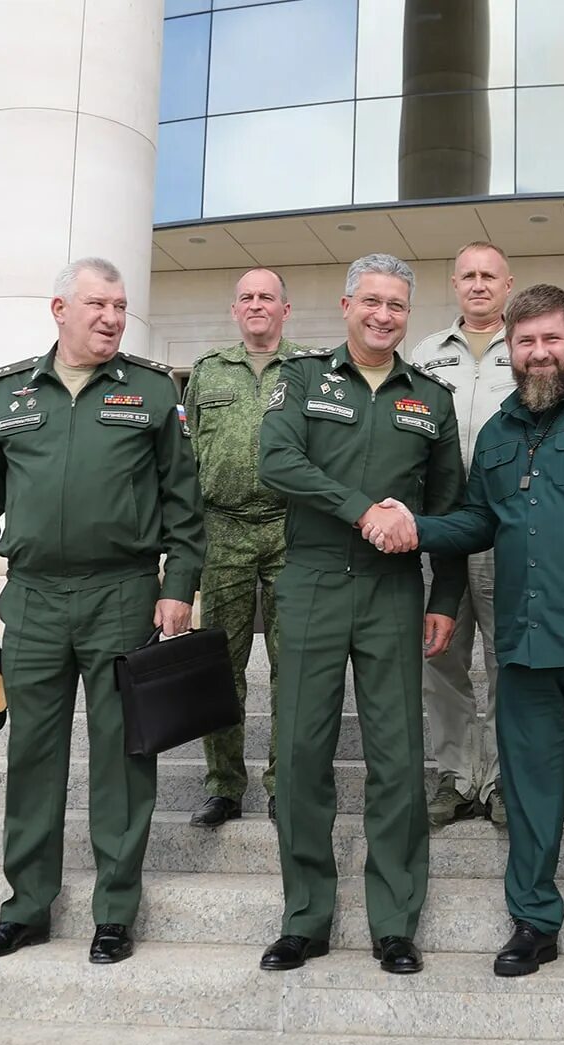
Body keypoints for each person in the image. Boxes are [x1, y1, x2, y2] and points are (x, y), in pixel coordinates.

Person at [376, 283, 564, 981]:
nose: (538, 353)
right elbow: (480, 520)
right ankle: (534, 923)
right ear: (509, 349)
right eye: (525, 342)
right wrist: (415, 526)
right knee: (530, 794)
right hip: (525, 645)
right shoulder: (497, 432)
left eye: (551, 339)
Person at [0, 256, 206, 966]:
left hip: (123, 593)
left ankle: (114, 913)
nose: (112, 318)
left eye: (120, 306)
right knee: (33, 756)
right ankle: (26, 908)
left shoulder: (153, 392)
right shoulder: (9, 395)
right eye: (97, 304)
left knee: (126, 757)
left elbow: (185, 504)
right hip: (30, 598)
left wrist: (177, 585)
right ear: (59, 309)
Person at [254, 253, 466, 976]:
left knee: (399, 757)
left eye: (398, 306)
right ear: (346, 305)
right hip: (312, 581)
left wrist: (445, 599)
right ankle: (305, 917)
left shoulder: (428, 399)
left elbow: (452, 508)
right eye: (371, 301)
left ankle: (394, 922)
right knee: (303, 754)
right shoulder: (304, 378)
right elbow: (276, 461)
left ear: (409, 315)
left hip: (393, 591)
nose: (384, 315)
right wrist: (362, 509)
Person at [186, 267, 312, 829]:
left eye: (267, 296)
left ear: (287, 309)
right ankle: (224, 786)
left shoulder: (311, 371)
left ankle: (287, 782)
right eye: (246, 297)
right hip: (223, 532)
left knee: (295, 665)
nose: (257, 305)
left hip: (293, 529)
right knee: (219, 665)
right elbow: (186, 462)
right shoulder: (208, 372)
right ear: (235, 311)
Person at [407, 242, 515, 828]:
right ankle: (455, 776)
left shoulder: (525, 347)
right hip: (442, 531)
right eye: (468, 275)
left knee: (506, 657)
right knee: (439, 655)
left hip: (505, 533)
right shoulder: (425, 354)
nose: (478, 284)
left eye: (489, 276)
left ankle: (499, 779)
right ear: (454, 284)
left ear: (508, 284)